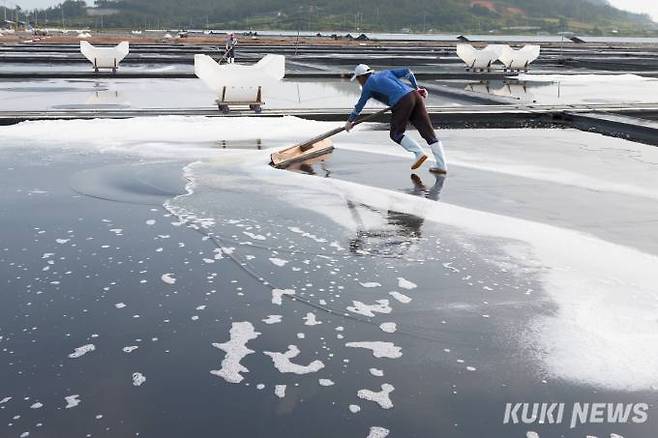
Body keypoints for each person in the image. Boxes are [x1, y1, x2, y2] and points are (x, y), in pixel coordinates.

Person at [345, 64, 447, 174]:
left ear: (361, 77)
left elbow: (359, 106)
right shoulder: (385, 72)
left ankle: (419, 153)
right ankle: (442, 166)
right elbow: (408, 72)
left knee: (396, 134)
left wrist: (350, 121)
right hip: (414, 95)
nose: (359, 82)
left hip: (402, 102)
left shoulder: (367, 87)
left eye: (358, 79)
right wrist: (417, 88)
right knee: (429, 134)